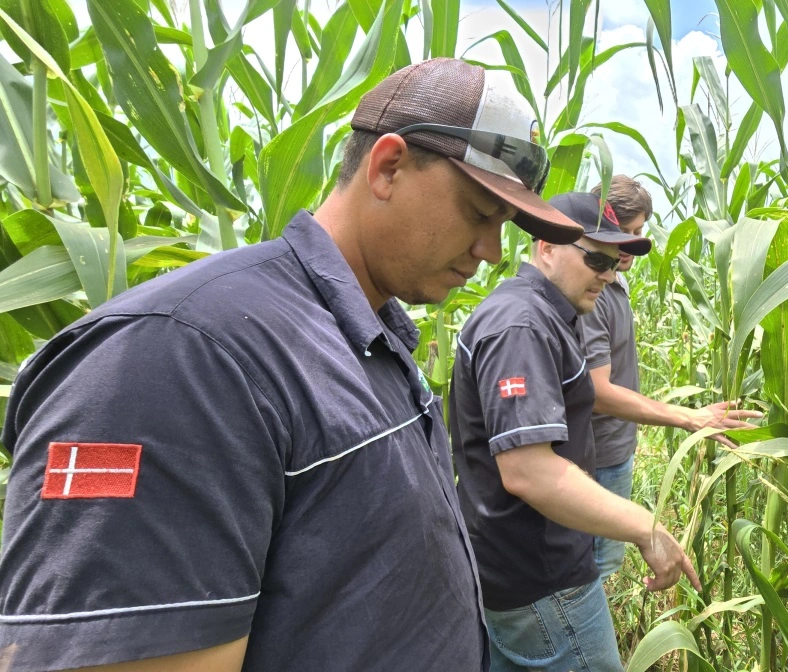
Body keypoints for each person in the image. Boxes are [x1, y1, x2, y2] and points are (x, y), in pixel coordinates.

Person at [0, 58, 583, 672]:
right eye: (478, 214)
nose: (491, 253)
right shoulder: (184, 355)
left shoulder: (366, 334)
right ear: (388, 168)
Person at [450, 191, 701, 672]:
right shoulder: (521, 327)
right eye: (596, 259)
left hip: (520, 574)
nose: (608, 275)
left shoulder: (540, 315)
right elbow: (529, 472)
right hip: (544, 583)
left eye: (614, 263)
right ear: (546, 246)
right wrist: (646, 529)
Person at [581, 176, 763, 580]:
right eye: (622, 232)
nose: (631, 245)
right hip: (598, 456)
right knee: (596, 567)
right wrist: (690, 418)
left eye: (638, 233)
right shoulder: (591, 293)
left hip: (614, 447)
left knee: (602, 563)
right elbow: (598, 392)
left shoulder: (614, 279)